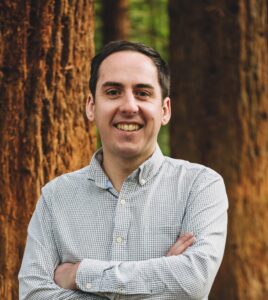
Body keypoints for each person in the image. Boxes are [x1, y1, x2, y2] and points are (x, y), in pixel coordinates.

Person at [19, 40, 228, 300]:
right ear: (91, 106)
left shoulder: (199, 186)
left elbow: (194, 281)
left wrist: (80, 274)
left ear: (165, 110)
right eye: (113, 92)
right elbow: (34, 295)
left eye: (142, 93)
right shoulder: (56, 197)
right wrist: (160, 280)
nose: (129, 106)